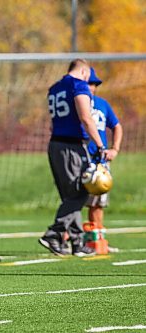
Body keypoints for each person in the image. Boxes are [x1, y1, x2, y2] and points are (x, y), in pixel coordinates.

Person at [39, 59, 107, 257]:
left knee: (70, 195)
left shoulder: (55, 87)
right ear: (84, 71)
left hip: (56, 144)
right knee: (81, 193)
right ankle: (54, 233)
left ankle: (77, 243)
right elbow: (86, 118)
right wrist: (100, 145)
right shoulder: (79, 85)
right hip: (71, 146)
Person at [85, 67, 123, 252]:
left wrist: (114, 149)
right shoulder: (77, 104)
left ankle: (97, 238)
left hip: (100, 161)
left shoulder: (102, 104)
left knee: (99, 200)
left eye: (94, 84)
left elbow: (116, 126)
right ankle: (70, 239)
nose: (91, 87)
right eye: (88, 83)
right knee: (77, 200)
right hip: (82, 158)